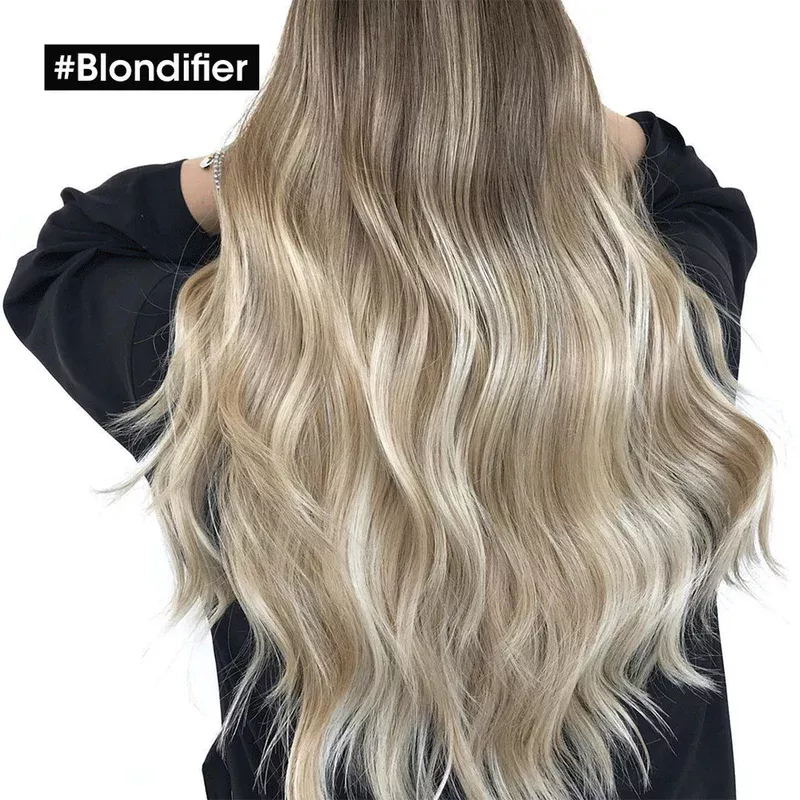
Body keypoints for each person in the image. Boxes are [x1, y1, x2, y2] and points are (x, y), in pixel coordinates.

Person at [4, 2, 780, 799]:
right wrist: (540, 122)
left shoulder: (220, 361)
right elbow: (684, 186)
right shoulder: (667, 326)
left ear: (308, 97)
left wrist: (273, 154)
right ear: (554, 86)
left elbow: (67, 258)